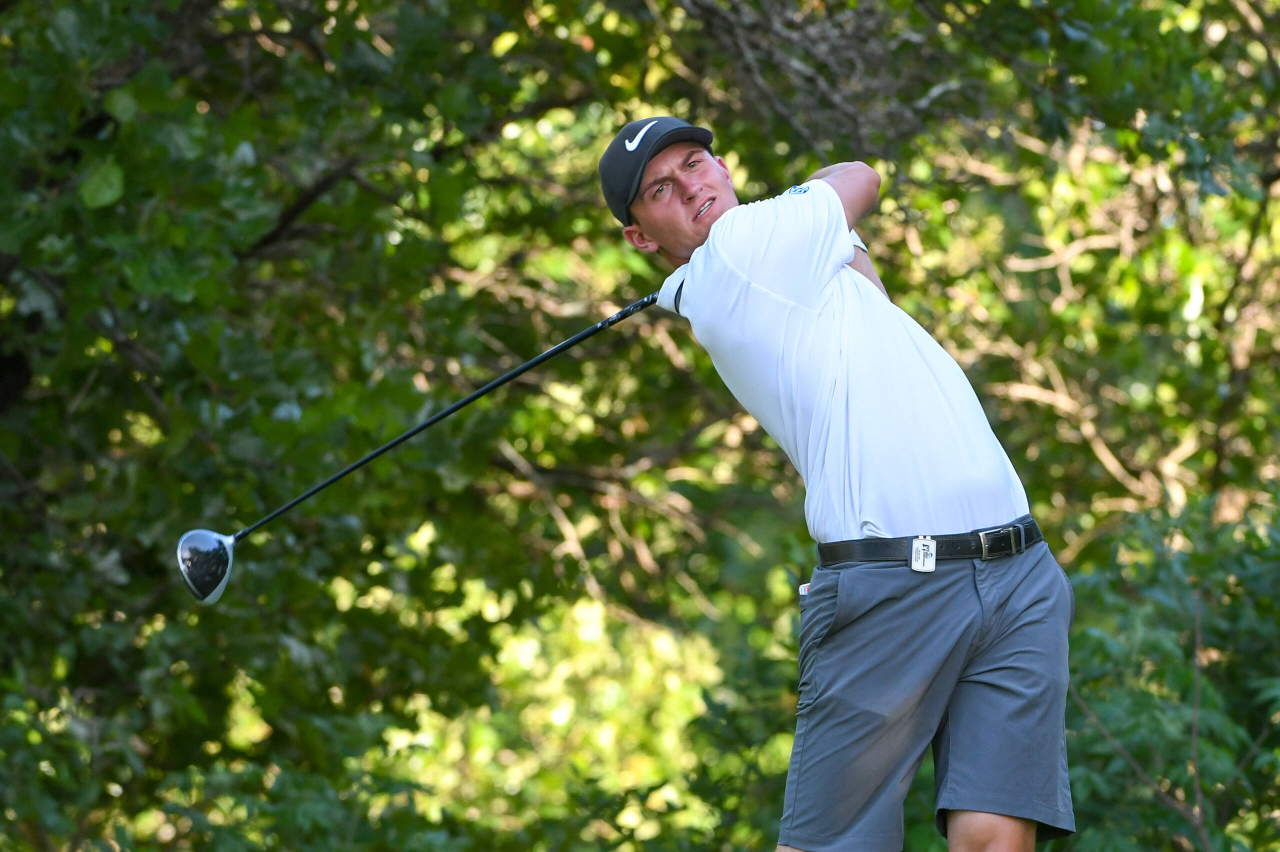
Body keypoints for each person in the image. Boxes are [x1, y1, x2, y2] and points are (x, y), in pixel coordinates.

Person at [598, 116, 1075, 852]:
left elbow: (862, 279)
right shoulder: (738, 251)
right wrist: (810, 199)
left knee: (995, 838)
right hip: (894, 583)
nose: (690, 186)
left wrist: (816, 221)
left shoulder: (788, 253)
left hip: (1016, 570)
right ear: (643, 238)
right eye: (661, 189)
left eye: (695, 163)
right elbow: (859, 175)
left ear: (722, 165)